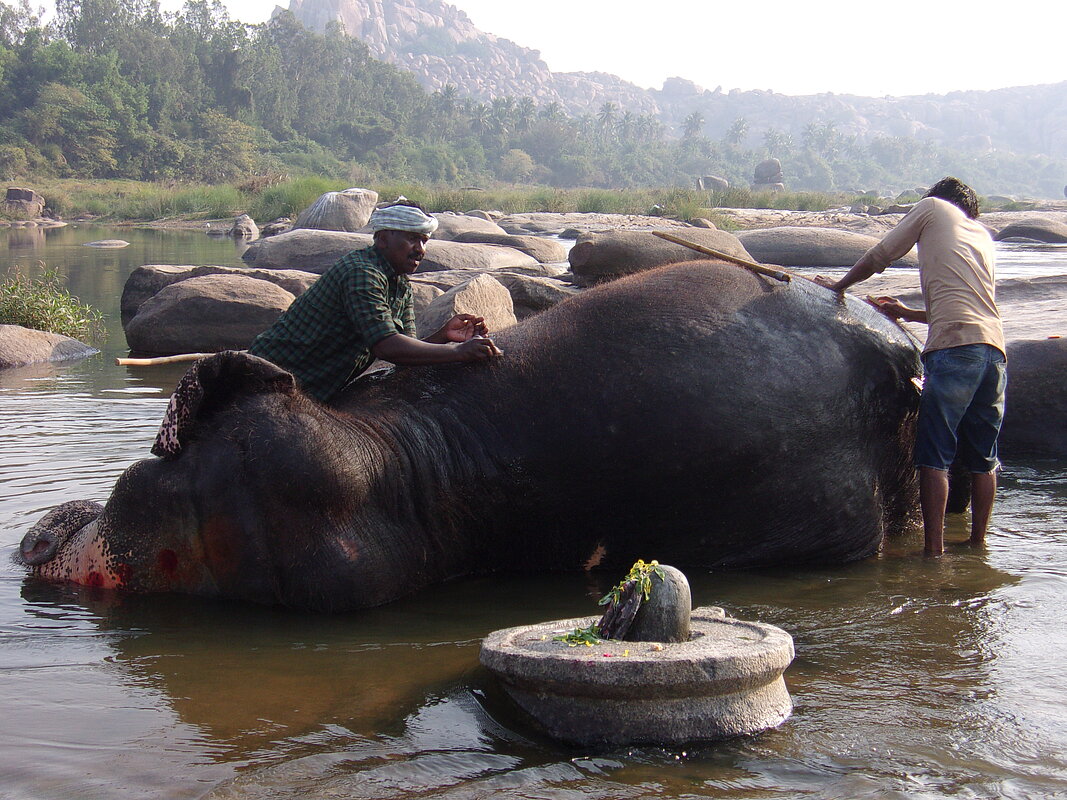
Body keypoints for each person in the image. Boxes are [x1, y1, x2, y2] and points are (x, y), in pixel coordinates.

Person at [815, 177, 1006, 556]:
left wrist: (838, 286)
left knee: (934, 456)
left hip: (954, 349)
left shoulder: (932, 207)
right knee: (984, 460)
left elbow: (880, 255)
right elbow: (965, 303)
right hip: (994, 351)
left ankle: (933, 552)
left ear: (939, 199)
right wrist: (906, 312)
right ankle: (978, 545)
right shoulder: (982, 235)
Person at [248, 200, 502, 403]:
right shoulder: (362, 273)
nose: (420, 249)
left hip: (309, 390)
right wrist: (457, 352)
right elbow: (387, 348)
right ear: (382, 239)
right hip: (266, 380)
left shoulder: (399, 284)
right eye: (412, 238)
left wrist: (444, 336)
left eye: (424, 240)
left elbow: (405, 352)